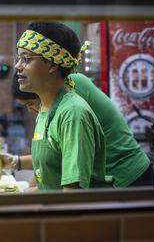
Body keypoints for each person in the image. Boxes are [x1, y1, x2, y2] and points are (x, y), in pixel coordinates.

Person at [3, 71, 154, 188]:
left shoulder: (70, 93)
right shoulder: (47, 105)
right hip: (101, 178)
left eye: (30, 103)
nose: (30, 110)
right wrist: (17, 163)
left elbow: (64, 157)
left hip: (126, 175)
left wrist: (31, 191)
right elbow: (52, 156)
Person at [8, 22, 108, 191]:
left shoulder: (73, 114)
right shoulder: (45, 109)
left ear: (53, 64)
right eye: (18, 58)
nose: (18, 66)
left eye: (26, 59)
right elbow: (49, 178)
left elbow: (72, 195)